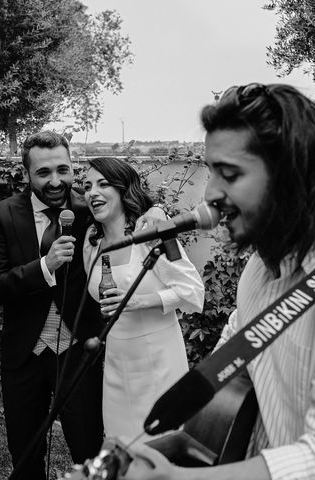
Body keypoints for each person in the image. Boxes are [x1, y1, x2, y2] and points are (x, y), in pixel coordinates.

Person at [121, 84, 315, 480]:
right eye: (210, 172)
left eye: (229, 174)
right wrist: (170, 445)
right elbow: (231, 372)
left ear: (291, 177)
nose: (209, 194)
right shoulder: (260, 268)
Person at [0, 131, 164, 480]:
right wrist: (44, 267)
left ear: (72, 167)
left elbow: (132, 202)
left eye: (62, 170)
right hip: (24, 353)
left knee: (88, 443)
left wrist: (156, 208)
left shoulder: (89, 210)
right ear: (26, 174)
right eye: (43, 173)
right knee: (25, 446)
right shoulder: (1, 216)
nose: (55, 181)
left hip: (79, 349)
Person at [82, 157, 204, 441]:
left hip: (158, 365)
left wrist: (137, 301)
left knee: (160, 446)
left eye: (103, 184)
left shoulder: (152, 234)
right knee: (121, 448)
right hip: (115, 365)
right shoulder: (91, 244)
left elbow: (193, 291)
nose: (92, 192)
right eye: (87, 186)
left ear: (123, 190)